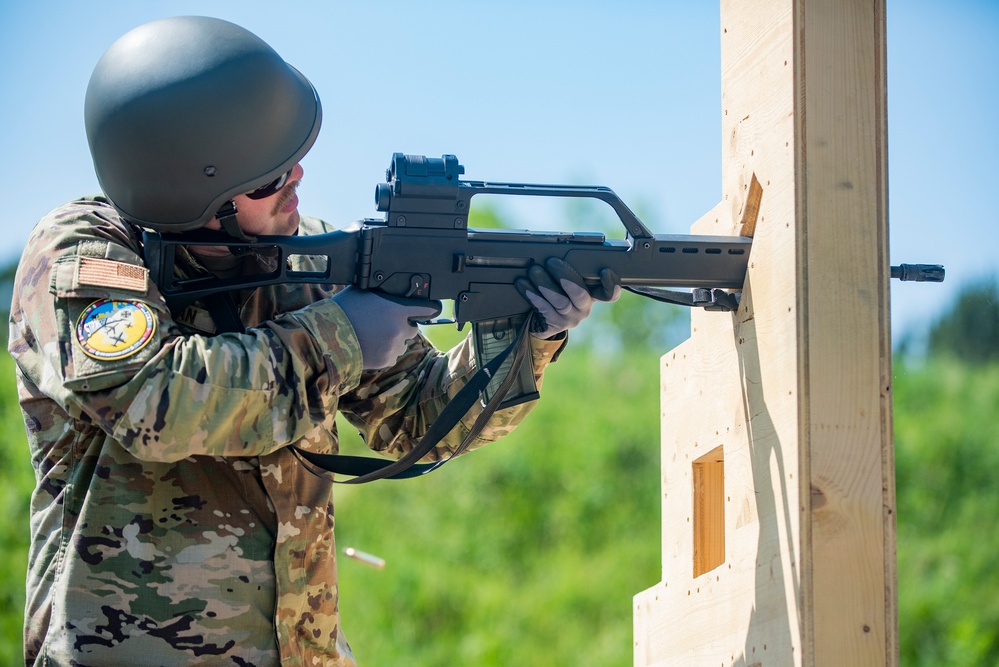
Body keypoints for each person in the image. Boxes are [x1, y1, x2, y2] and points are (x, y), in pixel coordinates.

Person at [7, 16, 619, 667]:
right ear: (193, 191)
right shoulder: (83, 251)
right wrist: (339, 338)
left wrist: (523, 332)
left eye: (293, 158)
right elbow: (149, 399)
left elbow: (418, 422)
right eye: (269, 177)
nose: (296, 177)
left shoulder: (308, 265)